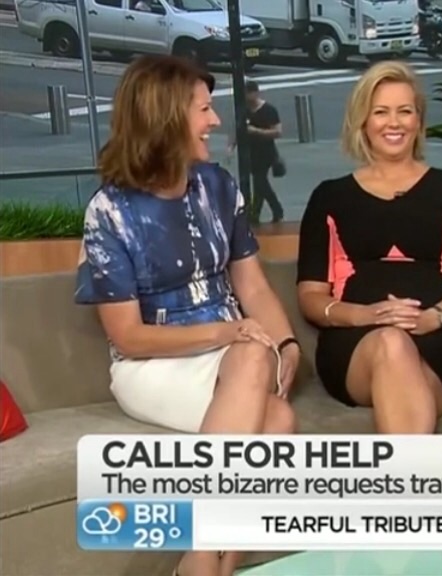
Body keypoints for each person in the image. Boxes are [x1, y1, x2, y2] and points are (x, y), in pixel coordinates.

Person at [73, 55, 299, 576]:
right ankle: (204, 562)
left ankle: (202, 565)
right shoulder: (110, 212)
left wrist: (287, 345)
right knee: (270, 404)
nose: (215, 120)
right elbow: (129, 338)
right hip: (152, 365)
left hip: (232, 358)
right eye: (203, 109)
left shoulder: (218, 186)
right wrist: (228, 331)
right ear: (166, 117)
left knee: (269, 388)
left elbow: (252, 285)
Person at [295, 60, 442, 433]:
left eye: (405, 111)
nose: (394, 123)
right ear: (363, 122)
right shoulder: (329, 197)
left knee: (398, 352)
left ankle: (402, 469)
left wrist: (433, 317)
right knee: (391, 342)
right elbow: (310, 297)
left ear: (419, 120)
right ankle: (414, 470)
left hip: (440, 340)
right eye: (381, 112)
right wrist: (366, 316)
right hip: (355, 345)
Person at [230, 80, 284, 223]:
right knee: (259, 184)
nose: (246, 97)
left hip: (266, 152)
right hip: (251, 153)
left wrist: (256, 131)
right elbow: (238, 129)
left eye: (248, 94)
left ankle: (270, 210)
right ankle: (259, 214)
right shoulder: (244, 110)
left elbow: (278, 132)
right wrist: (231, 146)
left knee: (260, 181)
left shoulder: (269, 110)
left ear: (255, 93)